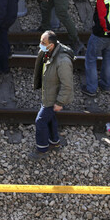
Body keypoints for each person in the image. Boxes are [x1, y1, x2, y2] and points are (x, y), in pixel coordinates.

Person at [30, 30, 74, 160]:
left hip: (52, 98)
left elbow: (67, 85)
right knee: (50, 118)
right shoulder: (48, 52)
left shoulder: (63, 61)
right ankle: (54, 142)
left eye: (43, 43)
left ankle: (42, 149)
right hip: (48, 94)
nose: (41, 45)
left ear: (52, 45)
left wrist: (60, 102)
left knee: (40, 121)